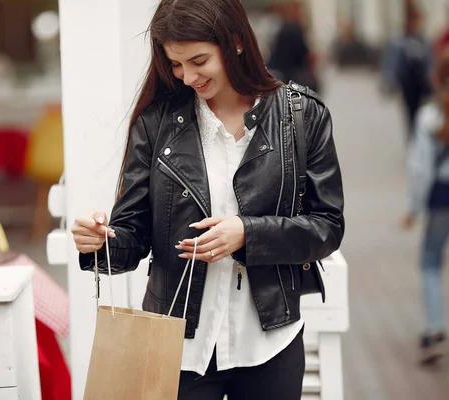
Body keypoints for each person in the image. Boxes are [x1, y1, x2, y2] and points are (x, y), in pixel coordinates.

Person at [71, 0, 344, 398]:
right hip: (179, 346)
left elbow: (328, 227)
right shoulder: (156, 124)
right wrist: (101, 241)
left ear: (234, 42)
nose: (187, 77)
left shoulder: (303, 116)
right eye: (176, 65)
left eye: (199, 60)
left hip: (270, 342)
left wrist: (248, 234)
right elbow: (132, 234)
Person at [401, 48, 449, 365]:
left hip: (440, 197)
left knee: (431, 261)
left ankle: (434, 329)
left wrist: (413, 208)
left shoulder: (431, 114)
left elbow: (421, 168)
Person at [381, 3, 433, 138]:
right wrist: (390, 81)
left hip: (422, 84)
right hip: (408, 83)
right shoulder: (400, 39)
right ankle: (413, 138)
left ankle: (419, 138)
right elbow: (393, 62)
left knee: (422, 113)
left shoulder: (422, 39)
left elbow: (428, 61)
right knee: (410, 112)